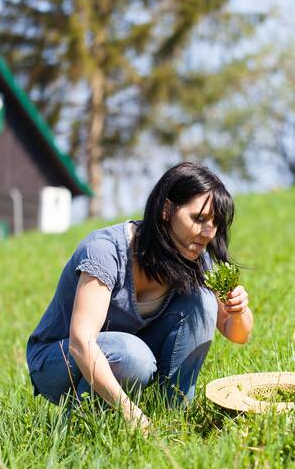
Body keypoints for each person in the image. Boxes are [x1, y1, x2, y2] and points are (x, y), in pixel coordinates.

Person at [26, 162, 253, 431]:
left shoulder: (194, 256)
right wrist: (129, 412)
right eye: (198, 219)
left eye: (214, 223)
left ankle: (172, 417)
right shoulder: (105, 250)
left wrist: (238, 311)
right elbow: (81, 343)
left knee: (202, 302)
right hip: (57, 362)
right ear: (167, 210)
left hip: (127, 355)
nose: (208, 232)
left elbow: (238, 334)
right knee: (134, 357)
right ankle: (80, 427)